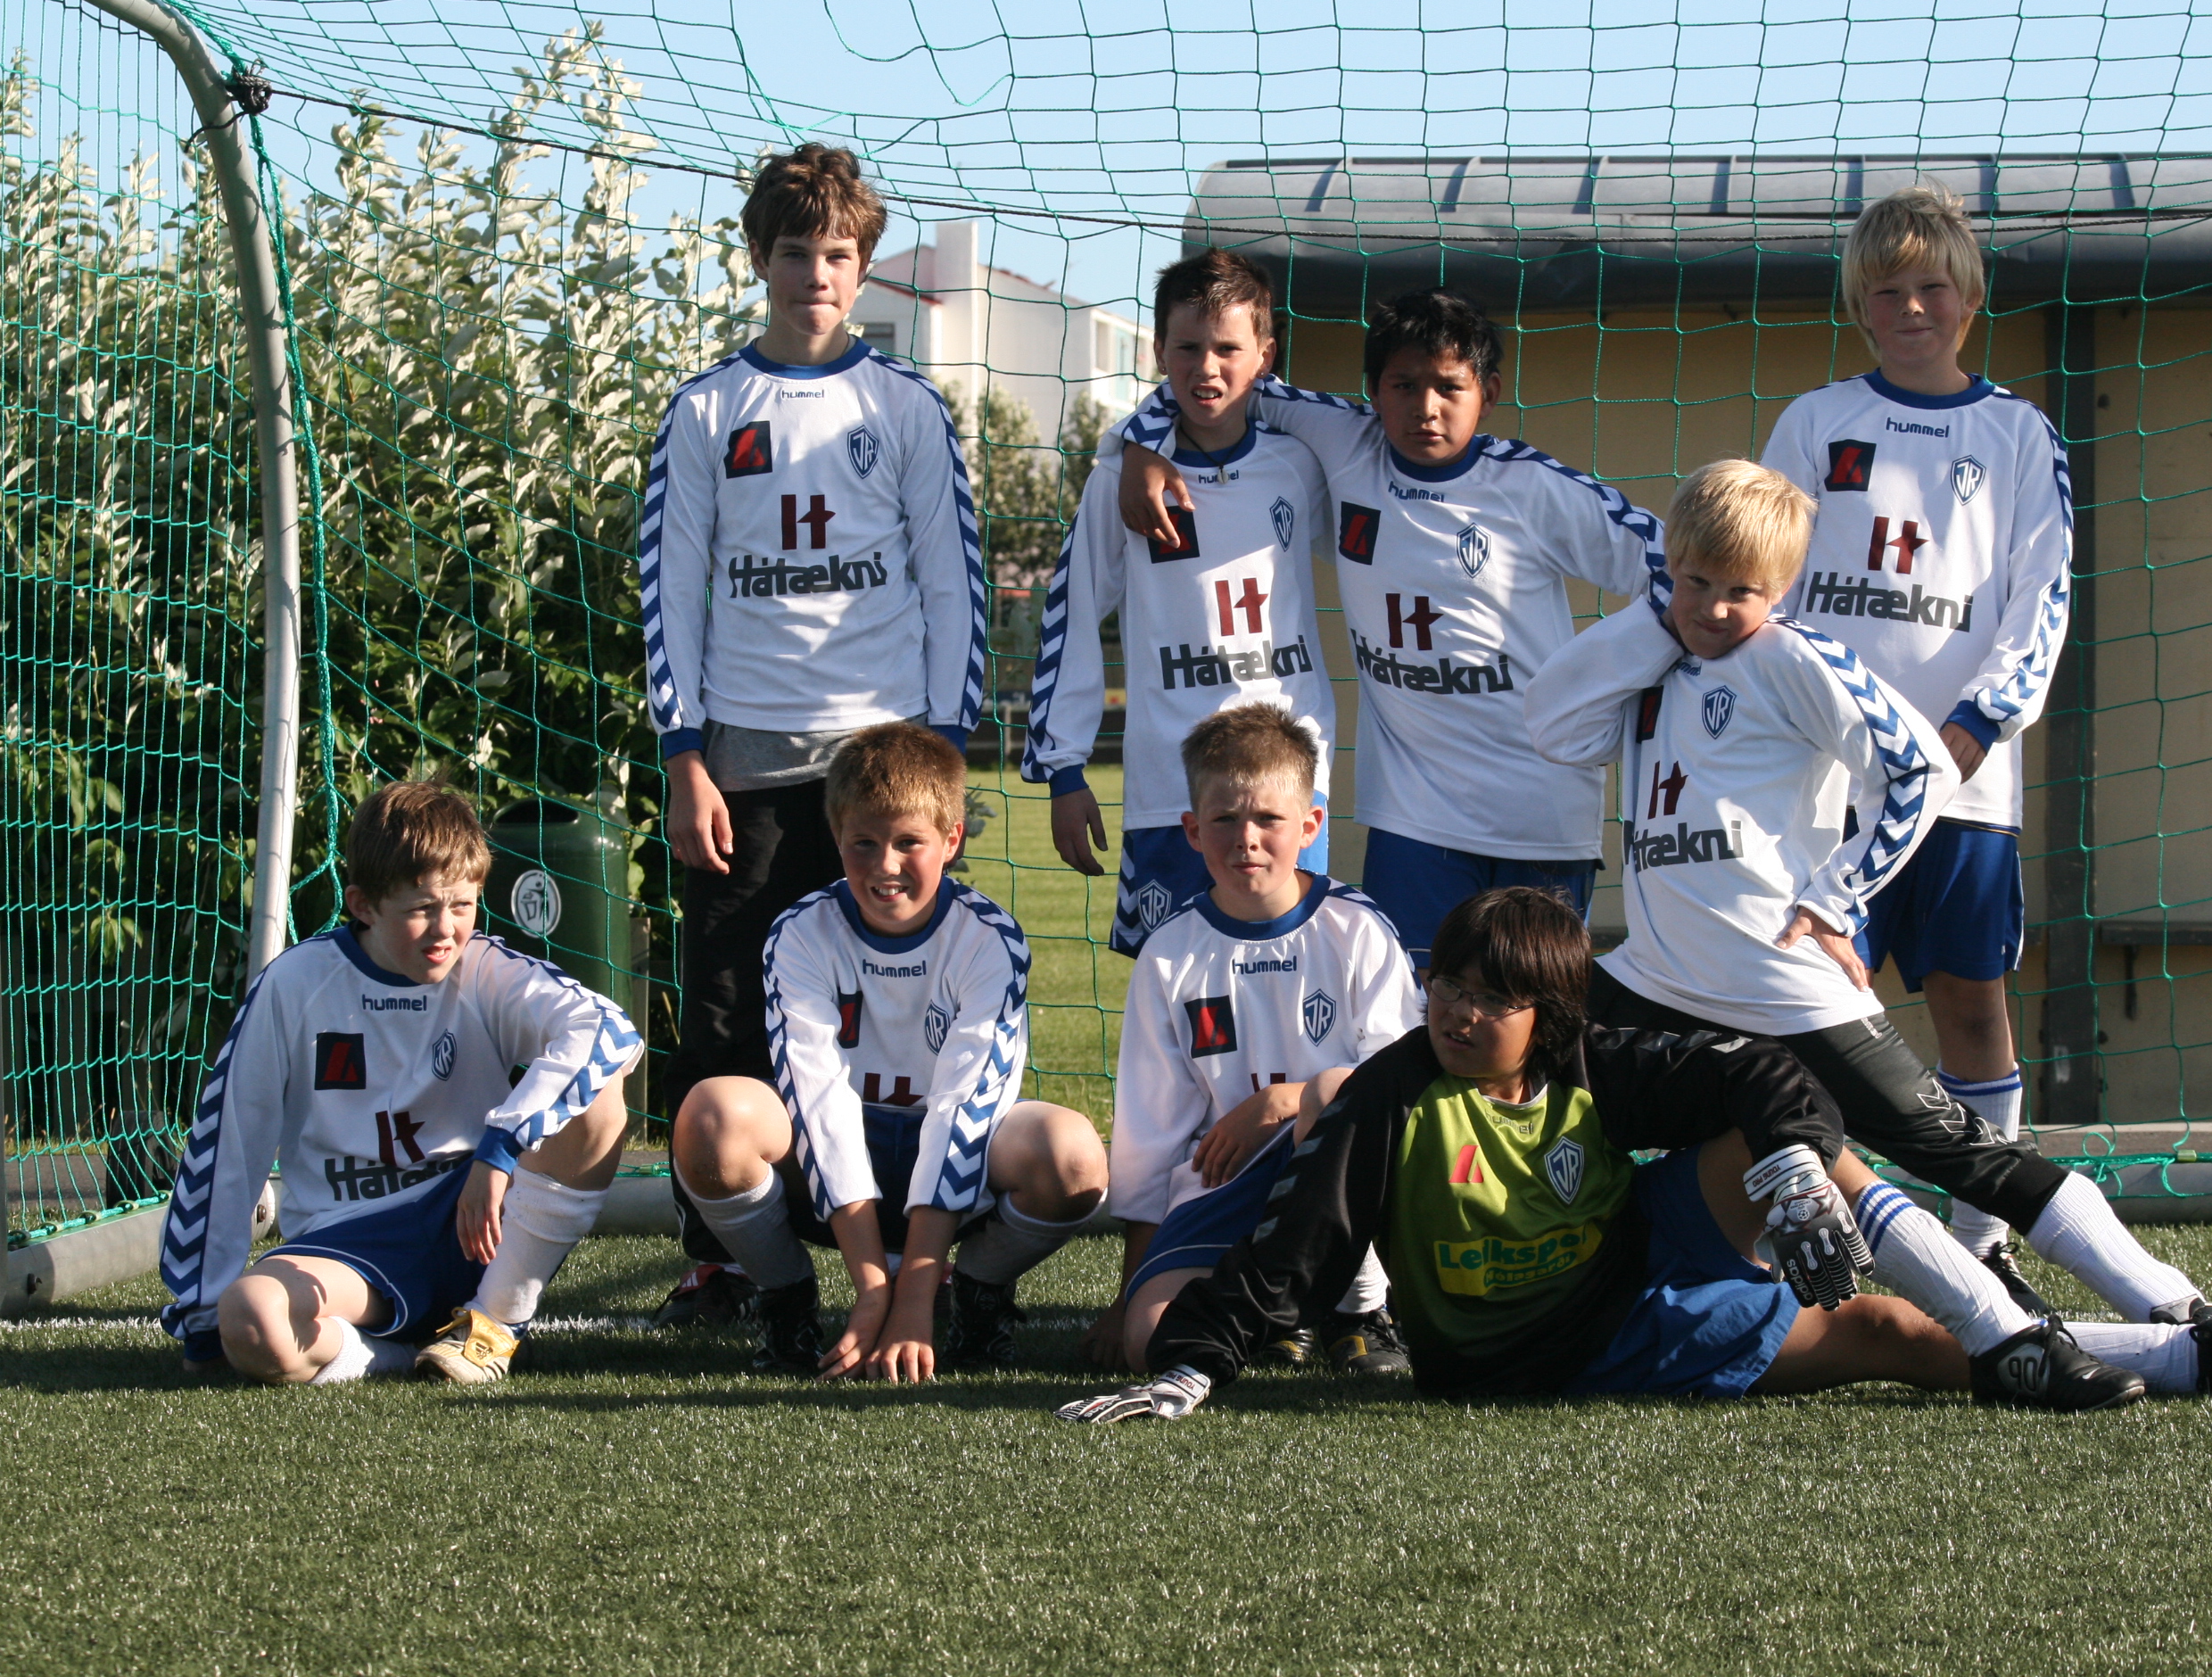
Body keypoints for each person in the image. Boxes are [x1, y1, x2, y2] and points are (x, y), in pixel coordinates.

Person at [1525, 458, 2212, 1342]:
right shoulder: (1651, 656)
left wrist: (1837, 895)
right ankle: (1518, 1289)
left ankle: (2177, 1308)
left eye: (1740, 591)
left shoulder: (1793, 657)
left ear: (1781, 588)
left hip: (1781, 985)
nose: (1711, 608)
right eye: (1695, 582)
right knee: (1518, 1076)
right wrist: (1649, 622)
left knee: (1966, 1156)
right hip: (1657, 977)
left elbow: (1921, 769)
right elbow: (1551, 723)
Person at [1057, 888, 2212, 1423]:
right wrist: (1197, 1364)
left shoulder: (1592, 1061)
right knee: (1891, 1333)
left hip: (1628, 1247)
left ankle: (2102, 1343)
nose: (1456, 1014)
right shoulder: (1394, 1094)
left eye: (1489, 999)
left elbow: (1762, 1074)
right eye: (1446, 988)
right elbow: (1299, 1244)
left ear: (1550, 1017)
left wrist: (1796, 1163)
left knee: (1788, 1137)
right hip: (1546, 1349)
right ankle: (2136, 1356)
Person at [639, 144, 986, 1328]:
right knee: (726, 1011)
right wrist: (684, 756)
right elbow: (670, 591)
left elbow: (952, 584)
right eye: (796, 253)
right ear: (759, 258)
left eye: (838, 255)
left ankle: (925, 1247)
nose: (817, 277)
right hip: (743, 765)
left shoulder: (905, 407)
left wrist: (944, 753)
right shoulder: (706, 409)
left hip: (879, 769)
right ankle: (729, 1258)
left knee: (901, 1011)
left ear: (864, 266)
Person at [1112, 288, 1663, 967]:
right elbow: (1227, 380)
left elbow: (1678, 567)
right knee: (1411, 1011)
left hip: (1540, 818)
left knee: (1530, 1014)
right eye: (1404, 385)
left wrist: (1608, 671)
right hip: (1412, 821)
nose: (1425, 407)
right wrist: (1137, 444)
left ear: (1488, 393)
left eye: (1449, 387)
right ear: (1373, 391)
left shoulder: (1534, 489)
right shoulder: (1347, 443)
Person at [1759, 180, 2072, 1288]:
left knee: (1968, 1004)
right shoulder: (1813, 423)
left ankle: (1983, 1243)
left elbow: (2041, 594)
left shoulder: (2017, 432)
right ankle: (1813, 1242)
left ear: (1968, 301)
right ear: (1858, 304)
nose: (1910, 308)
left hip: (1960, 782)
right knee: (1809, 1005)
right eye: (1886, 290)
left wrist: (1974, 726)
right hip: (1825, 783)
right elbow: (1763, 578)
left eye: (1931, 287)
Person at [160, 781, 643, 1385]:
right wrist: (204, 1320)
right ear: (364, 905)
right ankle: (393, 1355)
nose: (446, 930)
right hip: (350, 1248)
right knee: (251, 1317)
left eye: (462, 905)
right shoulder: (295, 984)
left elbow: (608, 1030)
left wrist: (499, 1148)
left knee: (600, 1094)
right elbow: (230, 1145)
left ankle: (493, 1326)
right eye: (422, 909)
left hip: (475, 1226)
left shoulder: (486, 971)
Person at [668, 723, 1109, 1379]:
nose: (885, 865)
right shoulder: (800, 932)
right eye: (864, 843)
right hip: (834, 1168)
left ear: (952, 839)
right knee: (712, 1117)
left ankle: (977, 1292)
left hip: (957, 1165)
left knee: (1071, 1155)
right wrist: (875, 1290)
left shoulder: (990, 939)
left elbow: (964, 1111)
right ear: (835, 834)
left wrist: (915, 1297)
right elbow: (818, 1102)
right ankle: (787, 1300)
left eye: (909, 842)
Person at [1023, 250, 1338, 956]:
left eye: (1228, 348)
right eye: (1188, 348)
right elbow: (1073, 614)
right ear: (1158, 351)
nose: (1207, 368)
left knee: (1292, 971)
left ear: (1265, 355)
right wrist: (1064, 768)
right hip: (1173, 787)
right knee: (1176, 986)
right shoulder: (1118, 482)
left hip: (1290, 784)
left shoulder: (1300, 464)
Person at [1093, 704, 1421, 1375]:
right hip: (1224, 1185)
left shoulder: (1357, 930)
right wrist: (1129, 1294)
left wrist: (1282, 1100)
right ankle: (1277, 1314)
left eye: (1269, 818)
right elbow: (1152, 1136)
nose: (1246, 839)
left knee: (1332, 1094)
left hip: (1340, 1184)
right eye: (1224, 820)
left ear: (1310, 825)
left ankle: (1357, 1310)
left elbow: (1400, 1079)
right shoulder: (1169, 954)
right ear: (1192, 830)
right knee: (1150, 1344)